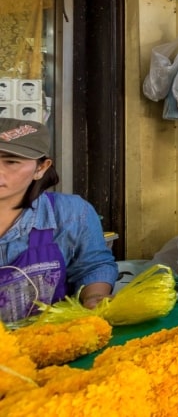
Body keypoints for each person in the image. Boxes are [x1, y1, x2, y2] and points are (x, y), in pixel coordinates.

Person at [0, 117, 116, 324]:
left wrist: (94, 296)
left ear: (40, 169)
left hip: (50, 337)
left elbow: (93, 265)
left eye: (11, 162)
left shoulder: (71, 213)